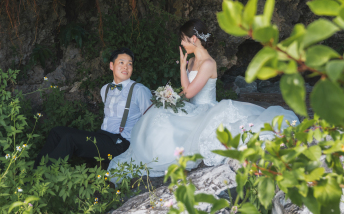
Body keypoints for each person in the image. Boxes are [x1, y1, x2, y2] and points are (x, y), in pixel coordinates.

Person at [107, 19, 299, 178]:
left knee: (171, 123)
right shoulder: (192, 60)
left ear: (193, 39)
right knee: (160, 113)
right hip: (192, 108)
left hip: (206, 109)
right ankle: (148, 153)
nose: (181, 44)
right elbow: (185, 90)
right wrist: (179, 76)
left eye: (183, 40)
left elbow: (190, 93)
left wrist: (178, 88)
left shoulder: (208, 63)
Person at [35, 47, 152, 167]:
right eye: (121, 62)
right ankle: (36, 169)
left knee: (70, 138)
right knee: (57, 132)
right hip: (103, 136)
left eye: (130, 64)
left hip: (120, 143)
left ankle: (44, 177)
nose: (126, 67)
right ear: (111, 66)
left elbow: (151, 119)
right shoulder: (105, 89)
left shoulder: (140, 90)